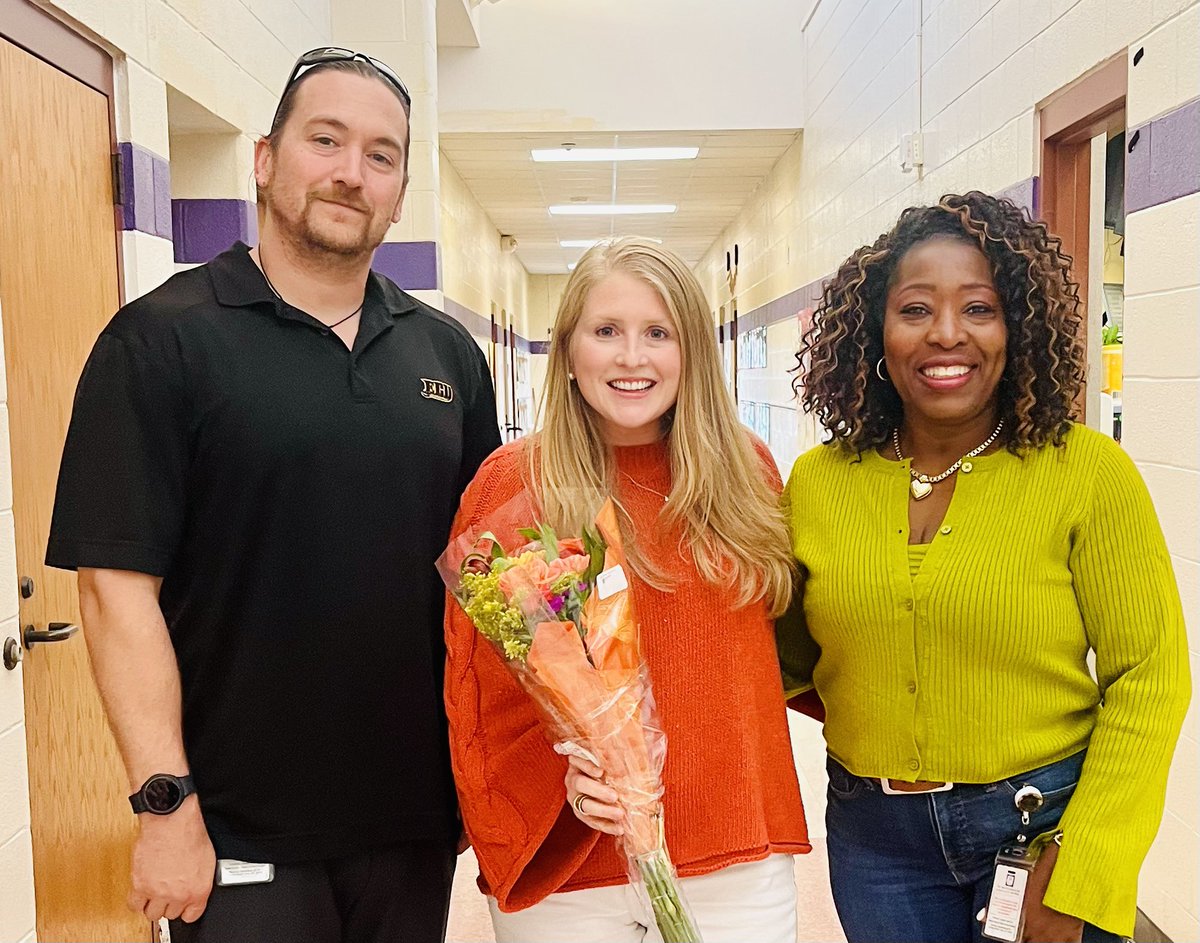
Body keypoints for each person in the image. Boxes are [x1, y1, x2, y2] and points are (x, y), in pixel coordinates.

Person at [46, 48, 500, 943]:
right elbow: (114, 590)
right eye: (324, 140)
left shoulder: (446, 358)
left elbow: (481, 582)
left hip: (412, 822)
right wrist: (163, 805)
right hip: (237, 831)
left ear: (400, 190)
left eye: (380, 155)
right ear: (264, 157)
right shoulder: (160, 343)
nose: (350, 172)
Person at [778, 191, 1190, 943]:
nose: (946, 335)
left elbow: (1151, 678)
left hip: (1039, 827)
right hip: (875, 843)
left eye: (978, 308)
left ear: (1018, 329)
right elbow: (788, 657)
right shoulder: (818, 481)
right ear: (876, 328)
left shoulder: (1086, 473)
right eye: (914, 310)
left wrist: (1086, 858)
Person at [444, 237, 810, 942]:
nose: (631, 356)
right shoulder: (514, 482)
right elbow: (477, 692)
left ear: (692, 349)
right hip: (574, 867)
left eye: (657, 332)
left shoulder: (747, 471)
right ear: (569, 351)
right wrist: (562, 788)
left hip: (736, 858)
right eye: (606, 330)